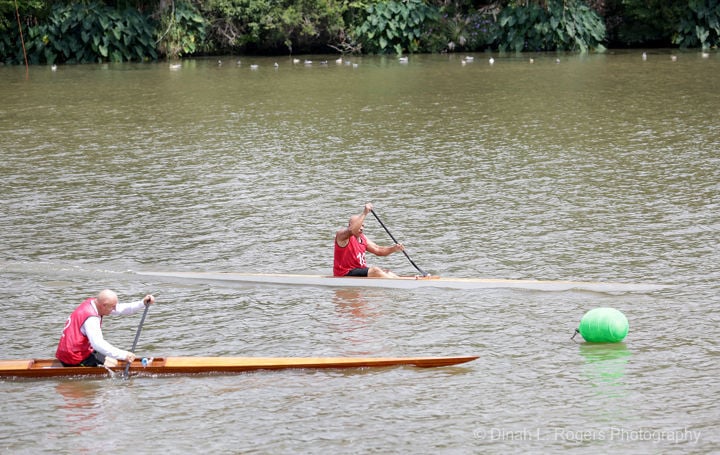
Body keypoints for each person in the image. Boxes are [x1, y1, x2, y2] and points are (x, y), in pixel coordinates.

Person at [55, 289, 155, 367]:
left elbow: (121, 309)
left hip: (77, 350)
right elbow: (98, 344)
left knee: (114, 361)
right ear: (104, 305)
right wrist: (124, 355)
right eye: (112, 307)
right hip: (73, 357)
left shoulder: (93, 303)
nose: (115, 309)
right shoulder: (91, 319)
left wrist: (142, 303)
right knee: (113, 365)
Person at [334, 203, 405, 278]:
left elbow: (378, 250)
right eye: (359, 225)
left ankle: (402, 282)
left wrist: (393, 248)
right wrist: (365, 213)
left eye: (363, 226)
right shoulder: (341, 236)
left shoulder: (363, 238)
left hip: (359, 270)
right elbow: (352, 230)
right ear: (350, 225)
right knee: (375, 271)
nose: (361, 228)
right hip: (344, 273)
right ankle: (395, 284)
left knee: (387, 272)